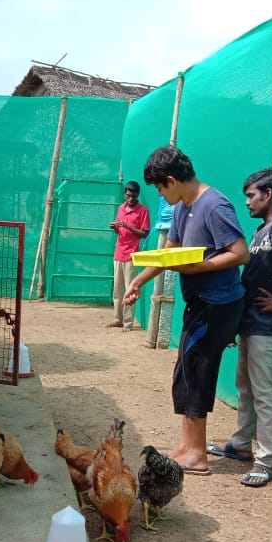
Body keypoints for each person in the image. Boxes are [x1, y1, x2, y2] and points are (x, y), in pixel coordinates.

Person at [124, 146, 248, 475]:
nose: (161, 196)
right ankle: (186, 446)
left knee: (196, 372)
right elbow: (170, 252)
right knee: (186, 372)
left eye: (160, 189)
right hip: (200, 302)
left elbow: (240, 253)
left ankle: (196, 454)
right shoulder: (182, 206)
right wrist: (139, 279)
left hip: (218, 303)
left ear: (171, 180)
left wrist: (198, 268)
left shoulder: (215, 204)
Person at [208, 167, 272, 487]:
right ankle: (240, 445)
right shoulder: (262, 231)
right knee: (245, 387)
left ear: (268, 194)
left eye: (252, 196)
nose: (248, 202)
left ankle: (265, 460)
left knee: (263, 393)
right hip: (251, 324)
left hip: (267, 326)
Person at [107, 180, 149, 331]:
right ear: (125, 194)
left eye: (134, 196)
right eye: (128, 195)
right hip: (118, 253)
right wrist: (115, 227)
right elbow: (120, 230)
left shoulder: (142, 211)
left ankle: (128, 323)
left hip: (132, 255)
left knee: (129, 289)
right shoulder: (121, 209)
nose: (131, 199)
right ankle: (118, 319)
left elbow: (144, 233)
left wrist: (128, 226)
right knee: (117, 290)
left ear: (138, 195)